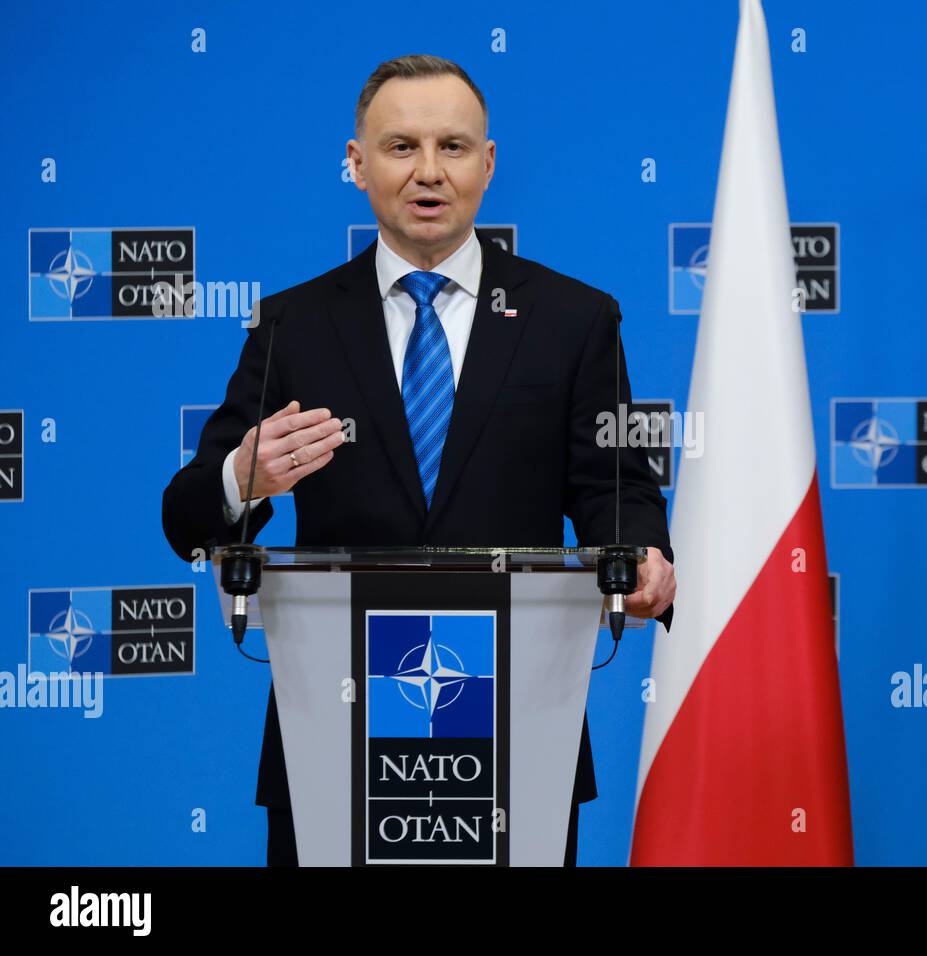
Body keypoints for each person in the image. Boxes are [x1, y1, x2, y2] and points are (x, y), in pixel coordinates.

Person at [161, 54, 676, 866]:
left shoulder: (574, 319)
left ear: (489, 162)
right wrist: (239, 480)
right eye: (401, 147)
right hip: (333, 733)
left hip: (520, 734)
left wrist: (644, 551)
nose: (429, 171)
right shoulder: (293, 325)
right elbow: (188, 516)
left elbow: (616, 488)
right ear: (357, 164)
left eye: (454, 146)